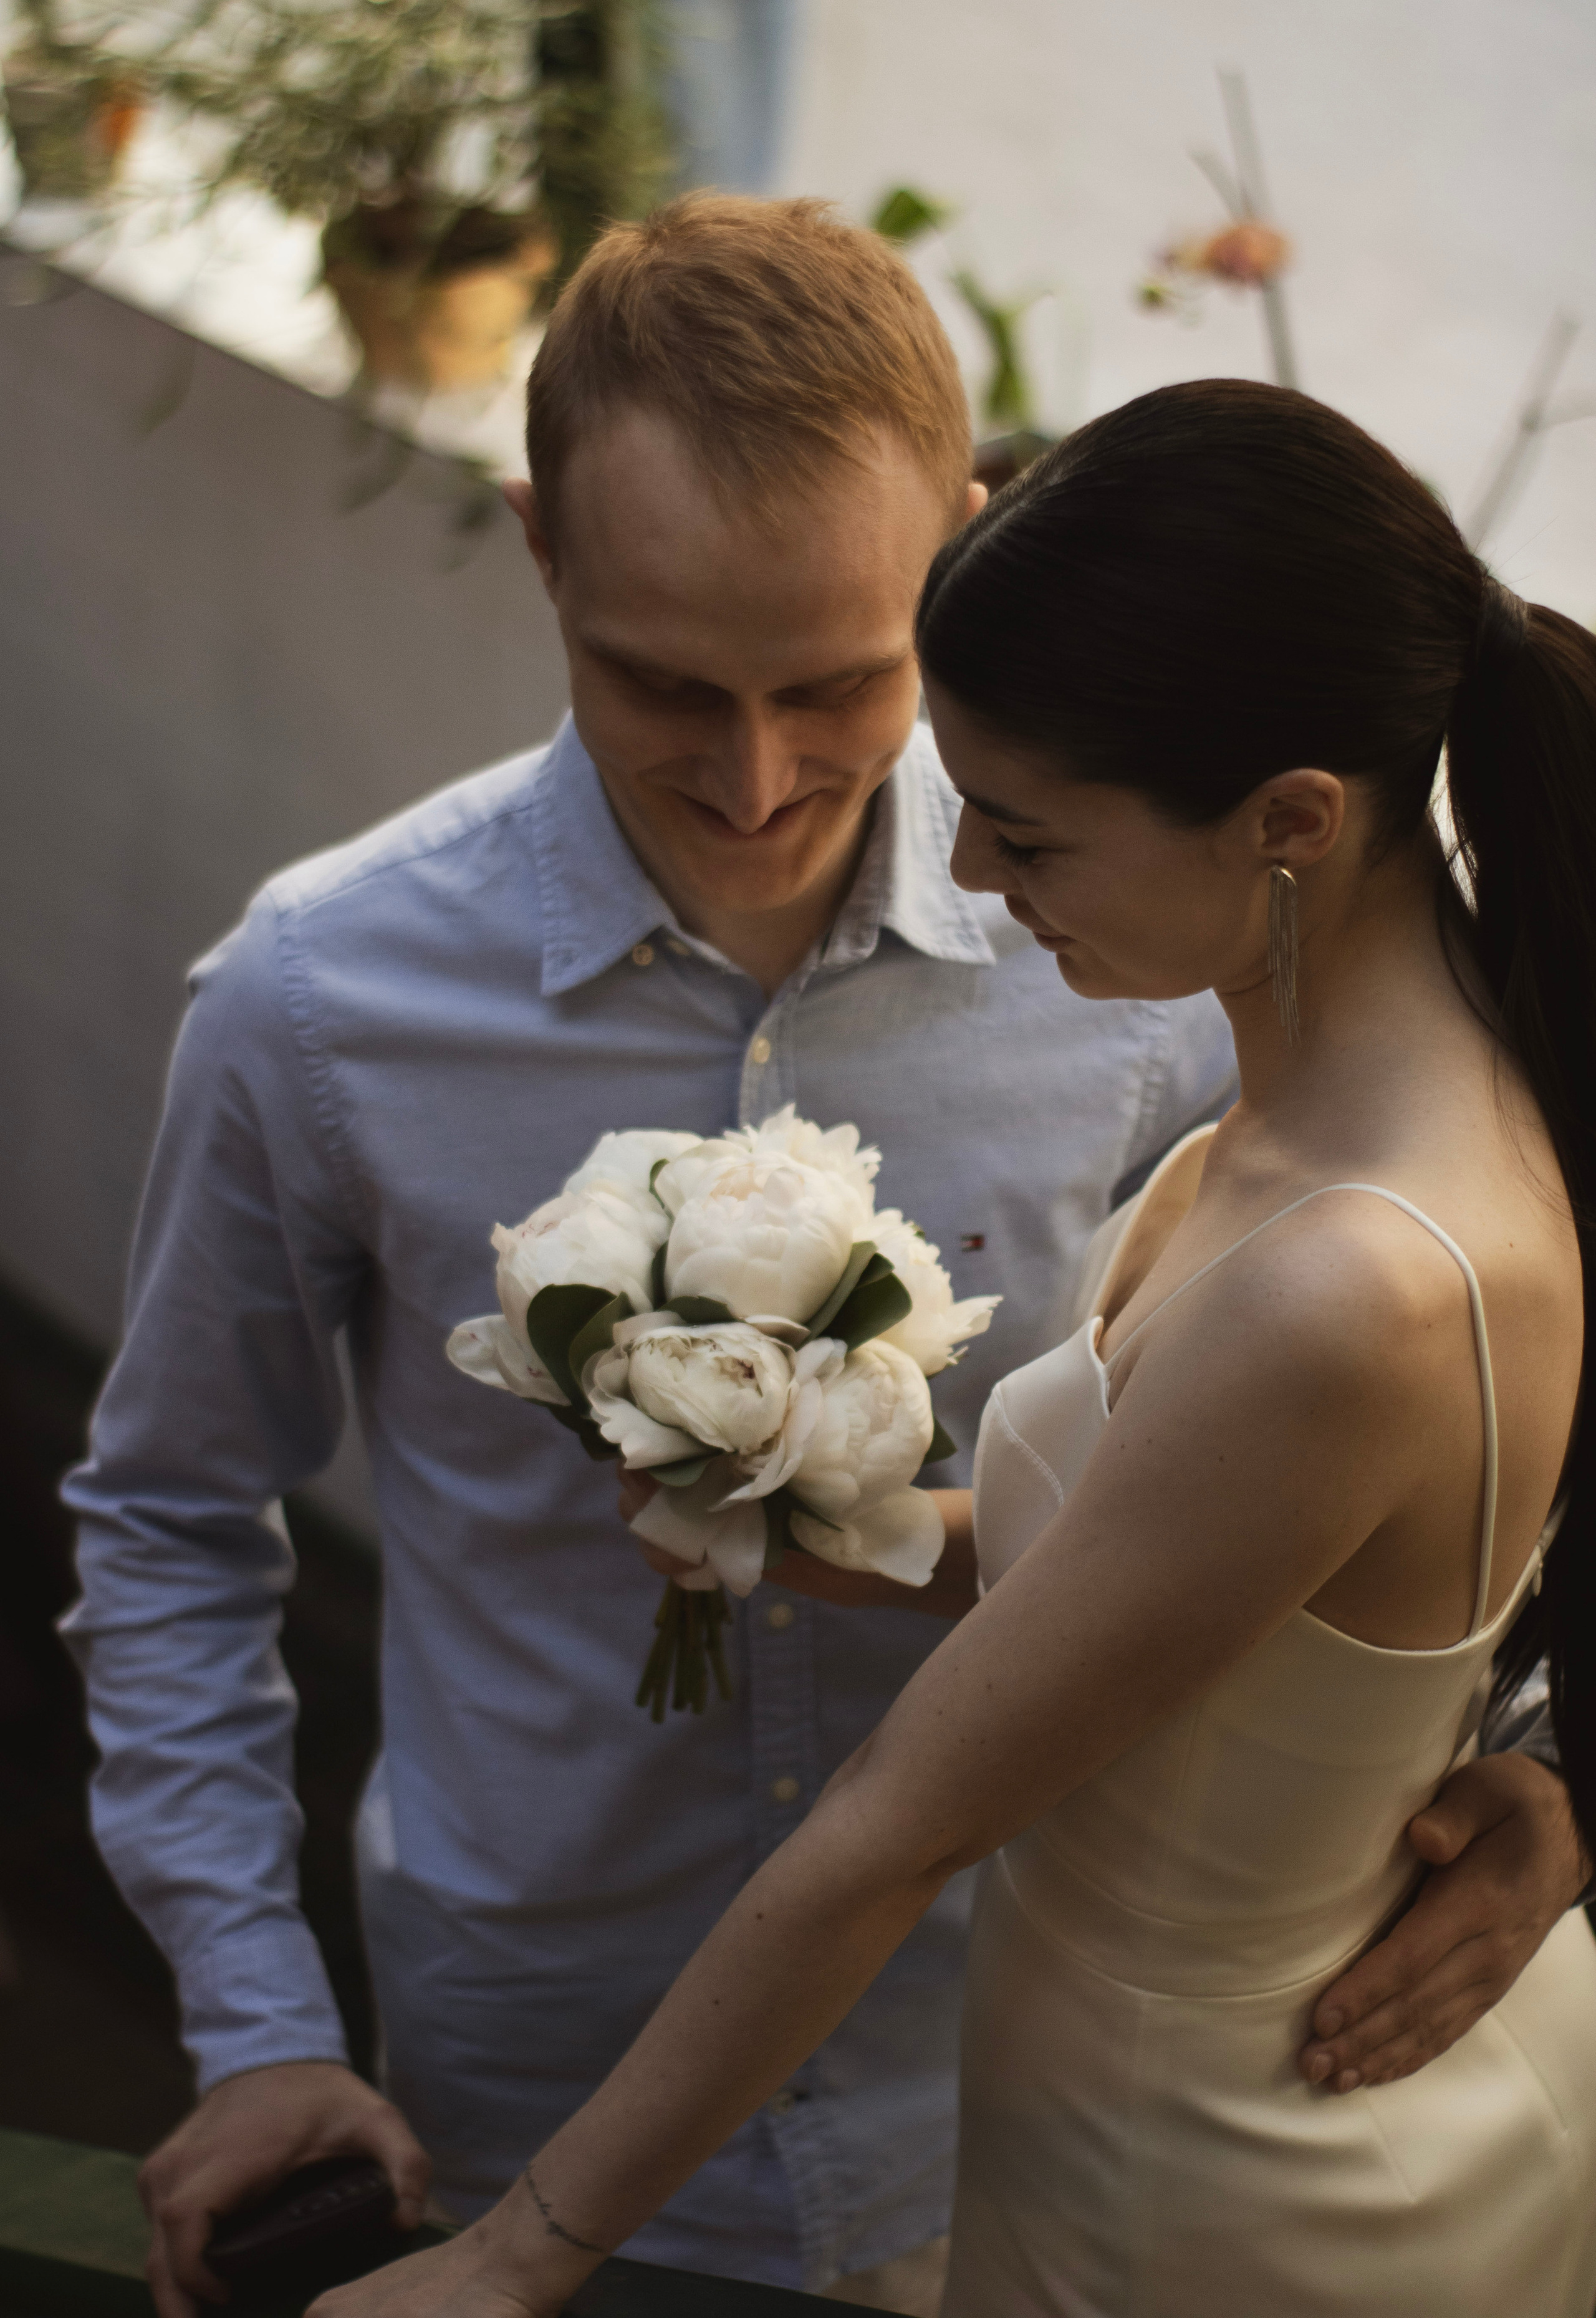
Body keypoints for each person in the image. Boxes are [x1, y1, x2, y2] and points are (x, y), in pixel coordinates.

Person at [60, 204, 1579, 2317]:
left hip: (1020, 2102)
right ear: (537, 551)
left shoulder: (1170, 959)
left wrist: (1553, 1756)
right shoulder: (314, 1002)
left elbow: (1433, 1403)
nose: (757, 778)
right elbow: (163, 1521)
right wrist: (260, 2031)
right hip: (535, 2060)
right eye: (664, 684)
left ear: (962, 546)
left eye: (845, 685)